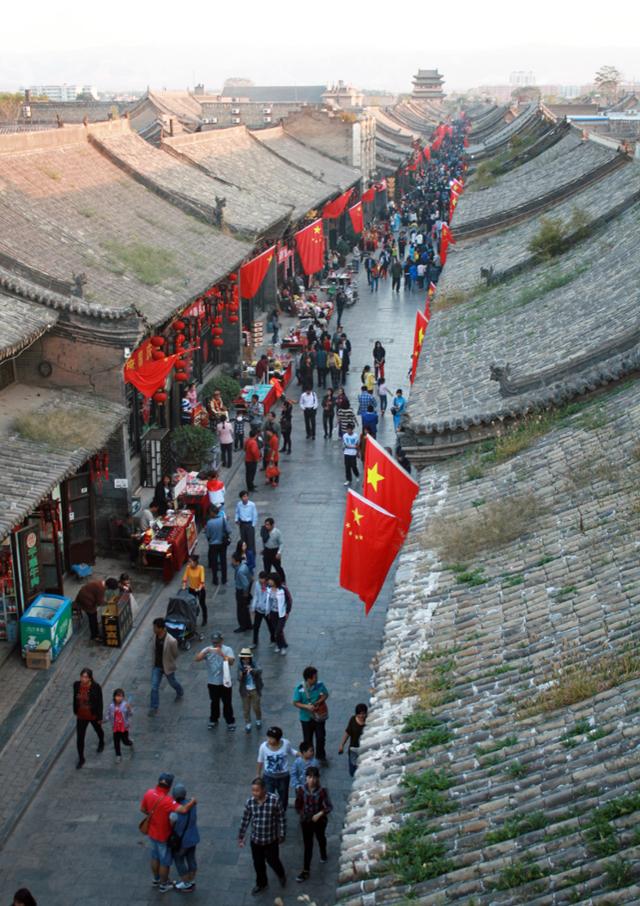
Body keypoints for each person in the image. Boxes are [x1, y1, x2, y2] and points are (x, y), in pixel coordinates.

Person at [140, 772, 196, 893]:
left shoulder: (149, 793)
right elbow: (184, 809)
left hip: (152, 832)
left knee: (155, 857)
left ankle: (156, 879)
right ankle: (163, 884)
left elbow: (143, 809)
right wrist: (193, 801)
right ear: (169, 787)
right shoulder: (167, 801)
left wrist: (153, 816)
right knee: (165, 862)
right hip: (163, 835)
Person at [238, 777, 287, 896]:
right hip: (256, 840)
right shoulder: (250, 802)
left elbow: (281, 818)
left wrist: (282, 834)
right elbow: (245, 819)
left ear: (264, 790)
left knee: (273, 860)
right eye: (253, 791)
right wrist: (241, 835)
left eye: (257, 790)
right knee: (258, 863)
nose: (254, 793)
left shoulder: (274, 800)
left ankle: (281, 874)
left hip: (271, 839)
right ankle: (261, 883)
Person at [294, 766, 332, 882]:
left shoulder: (322, 791)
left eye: (314, 777)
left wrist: (319, 814)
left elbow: (329, 807)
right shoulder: (301, 790)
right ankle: (306, 870)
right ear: (306, 778)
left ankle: (323, 852)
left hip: (319, 821)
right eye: (310, 777)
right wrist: (303, 814)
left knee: (320, 837)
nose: (312, 780)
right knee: (308, 845)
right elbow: (298, 805)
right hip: (306, 821)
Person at [195, 631, 236, 729]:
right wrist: (206, 652)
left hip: (225, 681)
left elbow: (232, 662)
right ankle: (213, 719)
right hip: (212, 682)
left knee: (227, 702)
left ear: (222, 641)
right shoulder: (208, 649)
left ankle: (230, 721)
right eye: (214, 642)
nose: (216, 644)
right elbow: (197, 659)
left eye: (217, 642)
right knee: (214, 702)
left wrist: (222, 654)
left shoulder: (227, 649)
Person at [293, 666, 329, 765]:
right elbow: (295, 702)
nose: (317, 678)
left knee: (321, 737)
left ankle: (320, 756)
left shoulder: (320, 685)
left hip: (318, 716)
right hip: (305, 718)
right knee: (308, 739)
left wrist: (318, 702)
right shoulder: (299, 688)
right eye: (315, 677)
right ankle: (309, 757)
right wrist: (306, 707)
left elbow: (325, 694)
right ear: (309, 679)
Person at [149, 618, 184, 716]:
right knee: (154, 687)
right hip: (157, 666)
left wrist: (169, 661)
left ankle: (180, 691)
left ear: (161, 628)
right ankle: (153, 707)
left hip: (167, 666)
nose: (154, 629)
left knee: (173, 682)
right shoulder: (154, 636)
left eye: (155, 627)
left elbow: (175, 654)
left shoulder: (171, 641)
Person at [257, 726, 297, 811]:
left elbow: (291, 751)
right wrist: (258, 774)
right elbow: (260, 760)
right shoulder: (263, 747)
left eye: (272, 738)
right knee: (268, 797)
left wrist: (300, 754)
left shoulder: (286, 743)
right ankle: (270, 813)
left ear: (278, 739)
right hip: (268, 777)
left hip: (283, 777)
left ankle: (282, 813)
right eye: (268, 737)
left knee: (283, 797)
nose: (269, 740)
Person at [169, 782, 200, 893]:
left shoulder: (175, 811)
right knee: (191, 858)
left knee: (179, 859)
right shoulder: (192, 804)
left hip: (182, 841)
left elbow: (171, 824)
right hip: (193, 837)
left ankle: (186, 884)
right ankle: (191, 880)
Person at [73, 667, 104, 769]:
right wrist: (75, 710)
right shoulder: (76, 685)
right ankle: (81, 758)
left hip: (92, 714)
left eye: (85, 677)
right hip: (81, 716)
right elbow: (75, 698)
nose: (83, 679)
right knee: (80, 738)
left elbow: (100, 702)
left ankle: (101, 741)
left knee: (98, 729)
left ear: (90, 678)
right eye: (82, 676)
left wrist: (99, 716)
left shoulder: (96, 687)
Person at [75, 577, 117, 643]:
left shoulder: (101, 583)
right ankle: (94, 636)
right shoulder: (101, 589)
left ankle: (96, 631)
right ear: (108, 586)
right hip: (85, 600)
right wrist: (109, 603)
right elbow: (100, 603)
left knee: (94, 614)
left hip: (82, 595)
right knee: (93, 617)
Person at [338, 703, 368, 776]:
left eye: (363, 714)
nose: (361, 716)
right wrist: (342, 745)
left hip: (363, 750)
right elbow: (348, 732)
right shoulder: (353, 720)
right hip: (353, 748)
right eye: (359, 714)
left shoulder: (368, 723)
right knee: (352, 770)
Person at [238, 647, 263, 732]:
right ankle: (248, 723)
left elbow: (260, 670)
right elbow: (238, 678)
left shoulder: (254, 663)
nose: (246, 661)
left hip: (255, 689)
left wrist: (251, 670)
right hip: (245, 690)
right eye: (244, 659)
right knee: (246, 708)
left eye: (247, 659)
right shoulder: (240, 665)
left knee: (256, 707)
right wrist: (242, 674)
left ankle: (258, 719)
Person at [106, 687, 134, 764]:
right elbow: (109, 714)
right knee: (116, 742)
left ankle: (130, 742)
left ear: (123, 697)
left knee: (125, 741)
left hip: (124, 727)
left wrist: (129, 709)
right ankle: (118, 755)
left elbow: (130, 714)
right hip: (115, 727)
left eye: (121, 696)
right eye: (117, 696)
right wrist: (104, 720)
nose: (119, 698)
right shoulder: (111, 706)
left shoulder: (125, 705)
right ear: (114, 696)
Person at [205, 505, 228, 587]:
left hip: (213, 545)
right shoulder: (223, 520)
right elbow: (228, 530)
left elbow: (207, 535)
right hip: (222, 543)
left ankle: (215, 579)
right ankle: (224, 579)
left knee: (214, 562)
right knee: (223, 561)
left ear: (211, 513)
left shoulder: (209, 523)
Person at [182, 553, 207, 626]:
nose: (189, 563)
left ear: (195, 562)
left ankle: (204, 619)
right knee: (191, 605)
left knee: (202, 604)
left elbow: (202, 581)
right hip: (191, 589)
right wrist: (184, 585)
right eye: (189, 562)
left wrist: (199, 588)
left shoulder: (201, 568)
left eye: (190, 561)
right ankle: (192, 619)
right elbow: (185, 578)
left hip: (200, 590)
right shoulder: (188, 568)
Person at [267, 573, 289, 656]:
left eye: (270, 580)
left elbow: (289, 600)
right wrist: (268, 611)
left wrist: (287, 611)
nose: (269, 581)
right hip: (272, 613)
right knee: (276, 629)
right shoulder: (268, 588)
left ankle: (282, 646)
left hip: (281, 614)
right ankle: (279, 645)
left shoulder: (283, 589)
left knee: (278, 631)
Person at [232, 550, 253, 633]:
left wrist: (245, 592)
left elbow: (245, 584)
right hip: (243, 591)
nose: (231, 561)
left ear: (236, 561)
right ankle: (248, 624)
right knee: (245, 609)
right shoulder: (243, 566)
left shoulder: (240, 571)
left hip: (241, 591)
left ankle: (242, 626)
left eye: (232, 560)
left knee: (240, 610)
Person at [251, 571, 273, 647]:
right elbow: (256, 595)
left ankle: (273, 640)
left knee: (270, 626)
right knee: (256, 626)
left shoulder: (270, 587)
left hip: (267, 611)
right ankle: (255, 642)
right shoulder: (257, 584)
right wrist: (253, 607)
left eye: (263, 582)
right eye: (260, 581)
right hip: (259, 609)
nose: (261, 583)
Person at [235, 490, 258, 560]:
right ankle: (244, 554)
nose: (245, 498)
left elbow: (255, 515)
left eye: (246, 496)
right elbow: (237, 512)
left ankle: (252, 555)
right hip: (242, 524)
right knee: (243, 540)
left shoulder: (252, 505)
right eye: (243, 497)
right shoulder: (239, 504)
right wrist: (236, 519)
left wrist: (253, 525)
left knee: (251, 540)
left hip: (249, 523)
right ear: (241, 498)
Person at [261, 517, 285, 582]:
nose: (266, 526)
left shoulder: (277, 532)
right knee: (267, 568)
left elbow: (281, 543)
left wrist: (279, 552)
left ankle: (282, 581)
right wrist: (263, 549)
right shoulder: (264, 531)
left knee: (278, 567)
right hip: (267, 551)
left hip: (274, 551)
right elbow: (263, 541)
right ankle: (268, 582)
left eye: (268, 525)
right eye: (265, 524)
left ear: (272, 525)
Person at [342, 421, 360, 486]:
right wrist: (344, 448)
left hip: (353, 453)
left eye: (350, 429)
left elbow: (357, 445)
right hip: (346, 453)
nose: (348, 431)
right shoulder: (344, 435)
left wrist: (358, 453)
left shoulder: (355, 436)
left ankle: (357, 474)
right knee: (347, 467)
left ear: (352, 429)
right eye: (347, 429)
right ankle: (348, 479)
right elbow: (344, 444)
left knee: (353, 466)